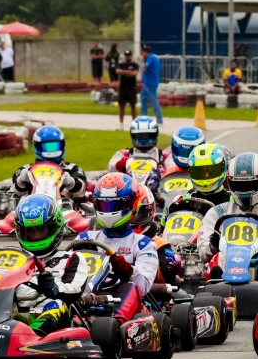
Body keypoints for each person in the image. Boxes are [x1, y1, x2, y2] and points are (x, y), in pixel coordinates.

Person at [78, 173, 159, 317]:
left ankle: (116, 323)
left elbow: (144, 286)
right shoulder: (85, 238)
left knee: (131, 286)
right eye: (104, 205)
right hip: (86, 300)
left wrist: (128, 271)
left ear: (130, 204)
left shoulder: (143, 244)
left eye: (114, 205)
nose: (109, 210)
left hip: (123, 306)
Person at [12, 194, 89, 335]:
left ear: (55, 227)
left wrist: (53, 288)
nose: (36, 237)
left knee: (58, 305)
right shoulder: (14, 259)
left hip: (51, 316)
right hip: (14, 315)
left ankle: (32, 335)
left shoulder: (72, 258)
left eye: (42, 229)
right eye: (30, 231)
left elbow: (75, 290)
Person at [13, 125, 88, 202]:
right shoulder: (25, 171)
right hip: (32, 209)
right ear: (37, 146)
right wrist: (20, 183)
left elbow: (81, 193)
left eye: (55, 146)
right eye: (47, 147)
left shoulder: (73, 169)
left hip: (65, 210)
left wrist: (71, 183)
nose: (51, 151)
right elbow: (18, 195)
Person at [116, 49, 139, 129]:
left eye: (129, 55)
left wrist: (125, 73)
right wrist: (127, 72)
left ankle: (134, 124)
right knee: (122, 106)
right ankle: (121, 123)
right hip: (123, 88)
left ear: (131, 56)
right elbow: (118, 71)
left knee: (133, 106)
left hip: (132, 88)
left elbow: (134, 73)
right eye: (126, 55)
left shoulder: (135, 65)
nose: (127, 57)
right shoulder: (121, 64)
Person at [140, 44, 163, 124]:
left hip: (150, 82)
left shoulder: (150, 58)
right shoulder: (155, 57)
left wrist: (143, 61)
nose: (141, 55)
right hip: (150, 81)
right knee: (143, 99)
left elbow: (145, 68)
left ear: (146, 52)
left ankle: (159, 118)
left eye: (142, 53)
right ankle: (144, 116)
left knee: (153, 100)